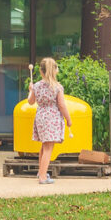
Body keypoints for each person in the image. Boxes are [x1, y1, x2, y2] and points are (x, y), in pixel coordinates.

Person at [28, 57, 71, 185]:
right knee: (48, 149)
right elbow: (62, 105)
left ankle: (41, 172)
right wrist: (68, 119)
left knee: (43, 146)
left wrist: (30, 91)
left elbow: (30, 102)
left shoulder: (36, 86)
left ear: (41, 71)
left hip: (41, 117)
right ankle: (42, 177)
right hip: (52, 118)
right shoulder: (57, 87)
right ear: (54, 71)